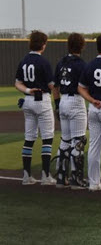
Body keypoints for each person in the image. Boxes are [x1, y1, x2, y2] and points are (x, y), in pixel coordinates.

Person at [15, 30, 56, 185]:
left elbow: (17, 83)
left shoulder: (24, 60)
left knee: (29, 138)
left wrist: (27, 90)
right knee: (47, 138)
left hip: (28, 100)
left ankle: (26, 176)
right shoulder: (43, 62)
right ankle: (46, 176)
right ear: (43, 45)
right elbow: (51, 85)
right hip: (42, 100)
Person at [78, 34, 101, 192]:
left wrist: (91, 100)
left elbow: (80, 88)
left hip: (93, 107)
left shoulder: (90, 65)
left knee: (94, 146)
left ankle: (93, 183)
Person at [53, 33, 87, 189]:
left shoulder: (61, 62)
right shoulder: (81, 64)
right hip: (75, 101)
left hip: (63, 100)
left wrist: (57, 104)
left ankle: (61, 177)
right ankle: (76, 178)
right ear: (81, 46)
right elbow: (85, 87)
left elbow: (55, 87)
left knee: (65, 140)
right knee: (78, 141)